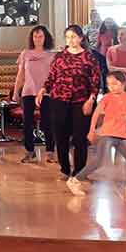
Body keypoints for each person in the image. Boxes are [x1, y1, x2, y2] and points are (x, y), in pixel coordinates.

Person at [38, 24, 101, 185]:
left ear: (81, 38)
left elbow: (95, 82)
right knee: (61, 136)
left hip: (81, 101)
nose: (70, 40)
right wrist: (43, 89)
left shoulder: (89, 58)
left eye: (73, 37)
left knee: (80, 138)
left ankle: (79, 171)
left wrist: (91, 99)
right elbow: (52, 77)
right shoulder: (59, 56)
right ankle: (65, 169)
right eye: (67, 37)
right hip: (59, 100)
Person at [70, 70, 126, 196]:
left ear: (123, 83)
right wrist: (91, 131)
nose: (111, 87)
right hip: (107, 134)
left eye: (115, 84)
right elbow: (96, 115)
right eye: (109, 84)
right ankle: (75, 180)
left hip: (122, 136)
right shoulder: (107, 98)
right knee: (98, 161)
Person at [13, 25, 56, 163]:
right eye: (35, 36)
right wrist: (16, 91)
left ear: (45, 37)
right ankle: (29, 151)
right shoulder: (25, 54)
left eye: (40, 36)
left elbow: (55, 76)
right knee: (27, 123)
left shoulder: (52, 55)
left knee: (47, 122)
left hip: (46, 92)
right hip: (28, 91)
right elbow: (20, 75)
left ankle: (50, 152)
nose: (37, 39)